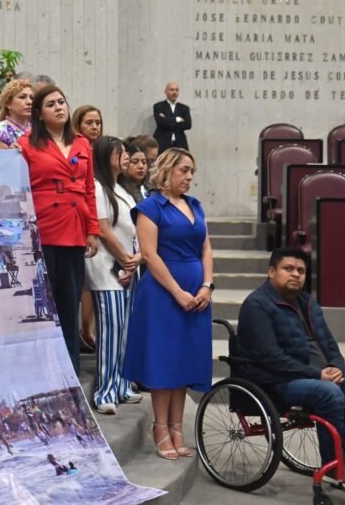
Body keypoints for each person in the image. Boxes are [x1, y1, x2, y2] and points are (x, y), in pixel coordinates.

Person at [234, 247, 345, 489]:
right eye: (288, 269)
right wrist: (318, 374)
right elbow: (270, 357)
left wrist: (337, 367)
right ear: (272, 272)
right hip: (275, 380)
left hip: (317, 375)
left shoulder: (308, 303)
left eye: (301, 271)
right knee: (329, 393)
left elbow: (330, 344)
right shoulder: (257, 305)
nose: (295, 274)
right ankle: (335, 466)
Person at [123, 148, 213, 460]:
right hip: (163, 293)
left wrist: (207, 285)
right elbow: (149, 255)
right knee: (164, 362)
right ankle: (160, 427)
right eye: (184, 170)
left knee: (184, 362)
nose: (189, 177)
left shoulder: (195, 206)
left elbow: (206, 250)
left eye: (192, 172)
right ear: (167, 170)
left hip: (196, 292)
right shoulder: (150, 207)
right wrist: (178, 292)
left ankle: (177, 427)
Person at [17, 85, 99, 373]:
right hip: (44, 230)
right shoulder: (25, 144)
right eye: (51, 104)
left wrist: (93, 230)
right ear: (39, 113)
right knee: (43, 305)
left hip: (76, 228)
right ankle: (41, 371)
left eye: (62, 102)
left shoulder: (82, 143)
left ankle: (70, 373)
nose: (59, 108)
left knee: (69, 304)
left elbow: (89, 189)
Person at [85, 136, 142, 414]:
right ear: (107, 155)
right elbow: (103, 230)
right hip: (108, 269)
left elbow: (133, 229)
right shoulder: (96, 187)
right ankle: (104, 391)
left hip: (127, 267)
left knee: (125, 332)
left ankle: (121, 384)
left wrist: (136, 259)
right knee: (110, 332)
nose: (127, 157)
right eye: (121, 153)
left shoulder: (122, 189)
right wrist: (125, 260)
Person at [71, 104, 103, 352]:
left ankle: (89, 329)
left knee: (92, 280)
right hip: (76, 216)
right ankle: (83, 330)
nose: (94, 127)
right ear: (78, 125)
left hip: (97, 215)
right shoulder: (75, 146)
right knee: (82, 281)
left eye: (97, 122)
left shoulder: (103, 150)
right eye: (89, 122)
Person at [0, 78, 33, 150]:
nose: (29, 102)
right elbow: (2, 160)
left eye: (31, 98)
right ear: (8, 103)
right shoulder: (0, 131)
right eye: (22, 97)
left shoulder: (36, 129)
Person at [152, 82, 191, 152]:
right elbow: (161, 122)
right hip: (162, 142)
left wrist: (167, 120)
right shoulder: (158, 106)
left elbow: (188, 125)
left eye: (176, 90)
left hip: (180, 143)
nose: (174, 92)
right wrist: (177, 119)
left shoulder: (184, 108)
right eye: (172, 90)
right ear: (165, 91)